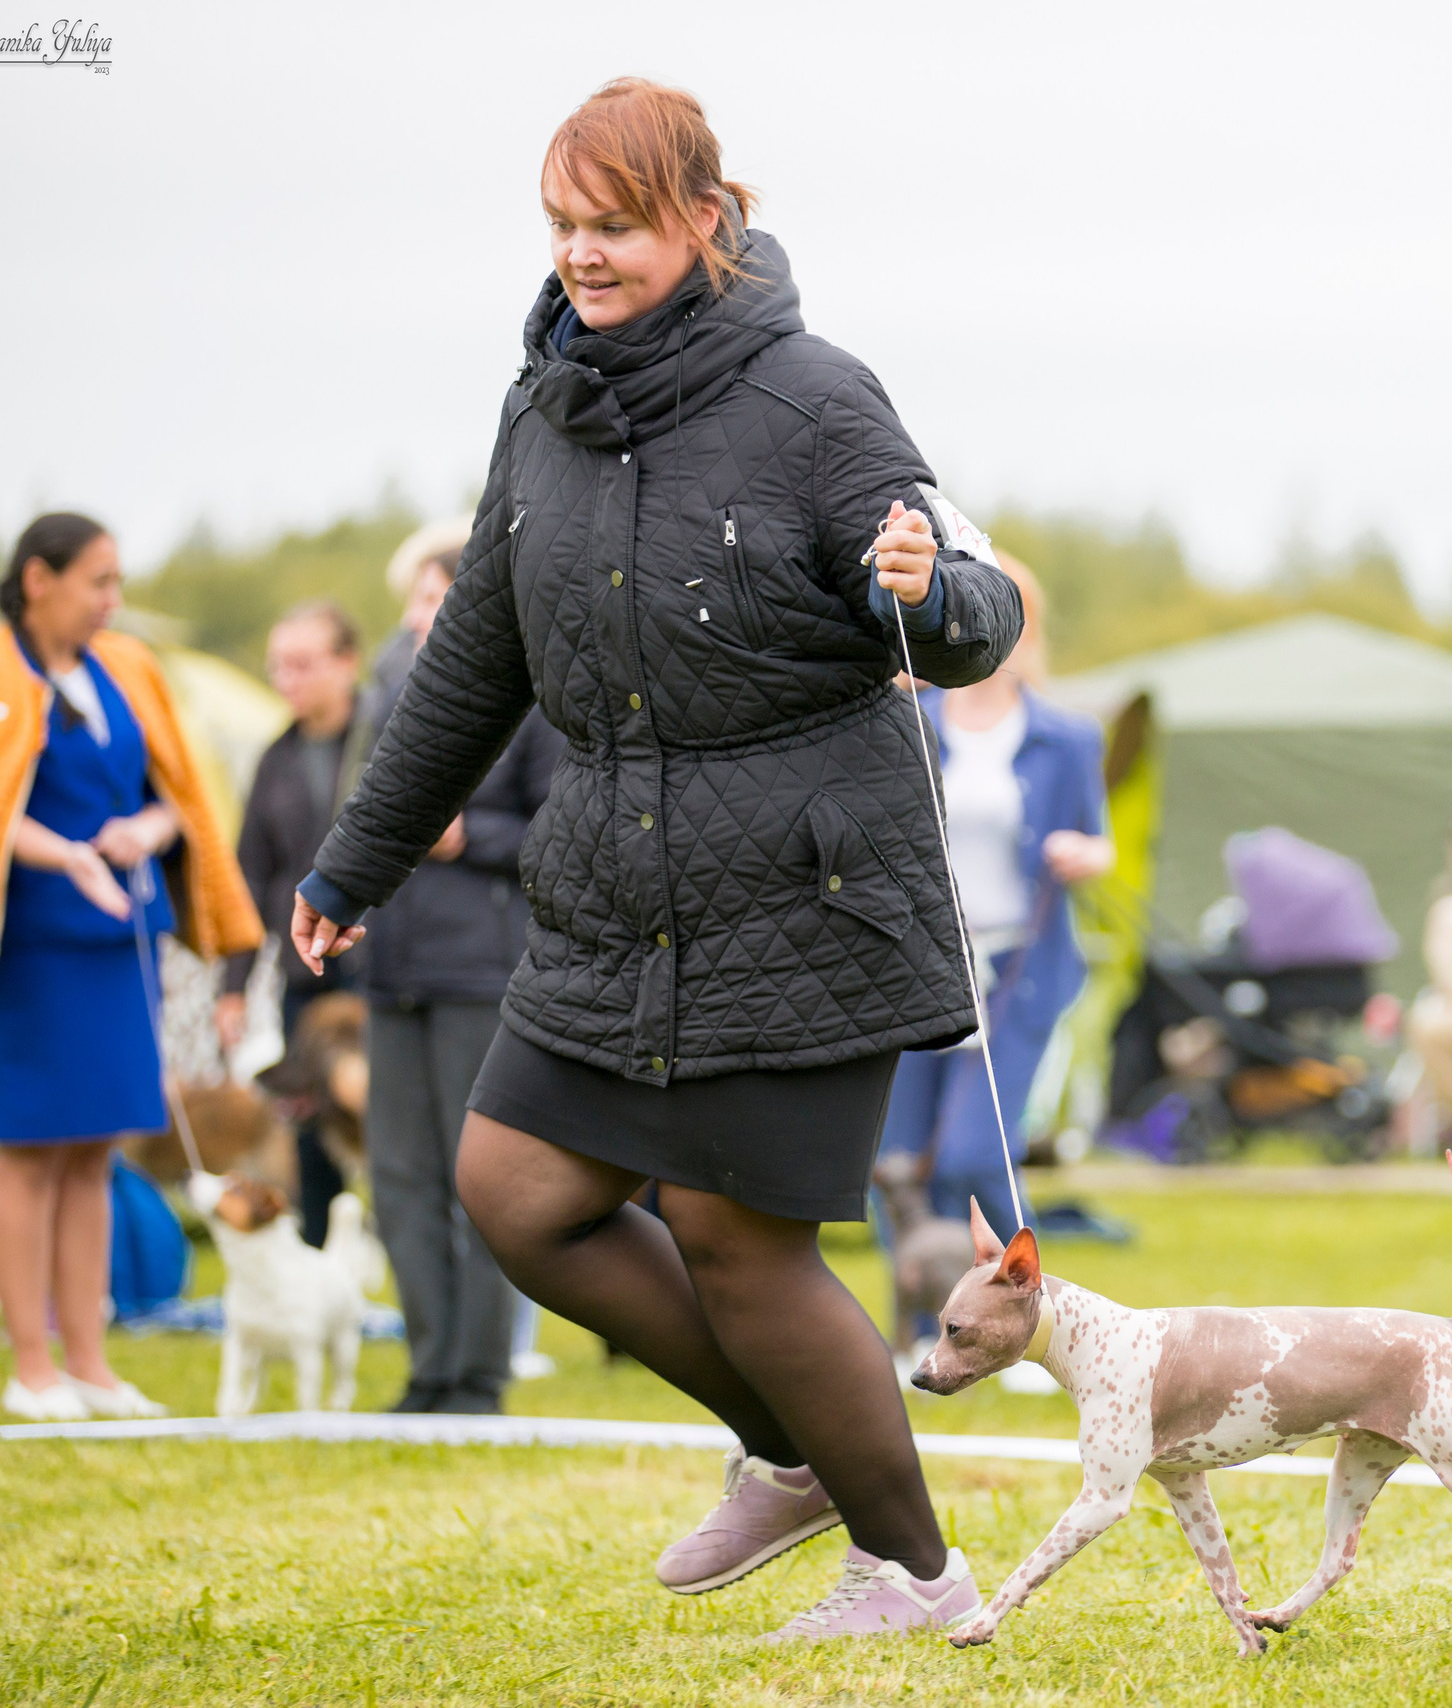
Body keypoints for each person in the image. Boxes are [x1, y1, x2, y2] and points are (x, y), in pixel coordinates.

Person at [283, 79, 1024, 1638]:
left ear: (703, 219)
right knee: (515, 1187)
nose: (582, 254)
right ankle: (794, 1450)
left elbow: (975, 609)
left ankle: (917, 1578)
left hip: (808, 887)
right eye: (562, 225)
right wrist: (354, 865)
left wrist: (929, 592)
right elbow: (476, 656)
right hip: (617, 892)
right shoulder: (541, 408)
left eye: (613, 224)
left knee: (736, 1243)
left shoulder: (819, 396)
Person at [0, 512, 260, 1420]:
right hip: (28, 946)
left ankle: (91, 1365)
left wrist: (147, 827)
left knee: (96, 1148)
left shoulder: (127, 667)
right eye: (99, 581)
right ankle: (32, 1369)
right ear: (38, 580)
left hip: (120, 941)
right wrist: (66, 854)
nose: (113, 600)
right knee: (31, 1148)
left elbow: (179, 792)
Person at [353, 525, 564, 1415]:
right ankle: (428, 1370)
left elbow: (563, 828)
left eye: (433, 599)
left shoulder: (533, 692)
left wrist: (467, 836)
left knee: (480, 1182)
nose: (416, 618)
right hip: (392, 968)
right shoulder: (387, 694)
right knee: (401, 1181)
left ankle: (479, 1376)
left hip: (482, 970)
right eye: (412, 601)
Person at [876, 553, 1111, 1281]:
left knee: (974, 1156)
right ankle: (924, 1321)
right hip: (919, 964)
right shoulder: (907, 718)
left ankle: (1036, 1307)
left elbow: (1100, 841)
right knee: (898, 1163)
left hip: (1019, 971)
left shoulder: (1068, 737)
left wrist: (1081, 853)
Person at [217, 599, 364, 1248]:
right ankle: (317, 1249)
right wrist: (232, 987)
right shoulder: (274, 759)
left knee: (390, 1122)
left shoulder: (385, 740)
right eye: (279, 666)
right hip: (306, 976)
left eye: (303, 664)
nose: (287, 680)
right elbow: (249, 877)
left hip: (383, 972)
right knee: (307, 1122)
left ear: (347, 662)